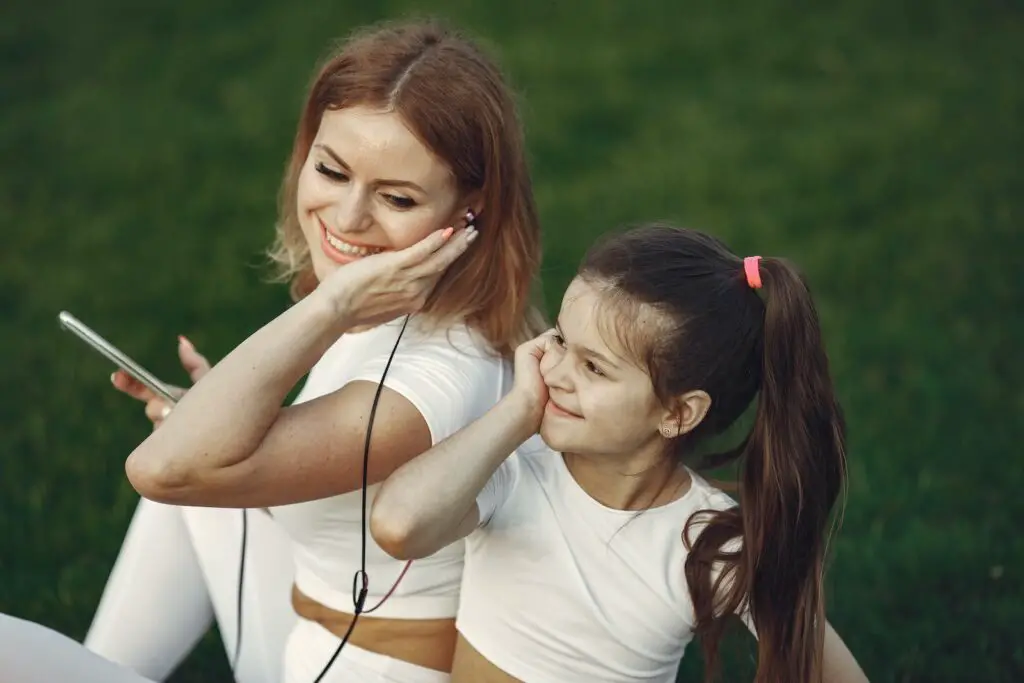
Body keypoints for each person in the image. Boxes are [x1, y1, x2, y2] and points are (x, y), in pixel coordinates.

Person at [82, 18, 542, 683]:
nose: (348, 218)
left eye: (397, 197)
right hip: (312, 629)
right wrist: (221, 408)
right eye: (331, 169)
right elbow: (191, 463)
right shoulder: (410, 304)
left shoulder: (434, 376)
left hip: (365, 666)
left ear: (470, 211)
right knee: (200, 445)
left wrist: (332, 305)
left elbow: (162, 468)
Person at [370, 223, 870, 682]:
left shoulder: (708, 542)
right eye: (562, 341)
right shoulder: (518, 468)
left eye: (594, 368)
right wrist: (518, 411)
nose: (557, 374)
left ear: (677, 414)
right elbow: (398, 524)